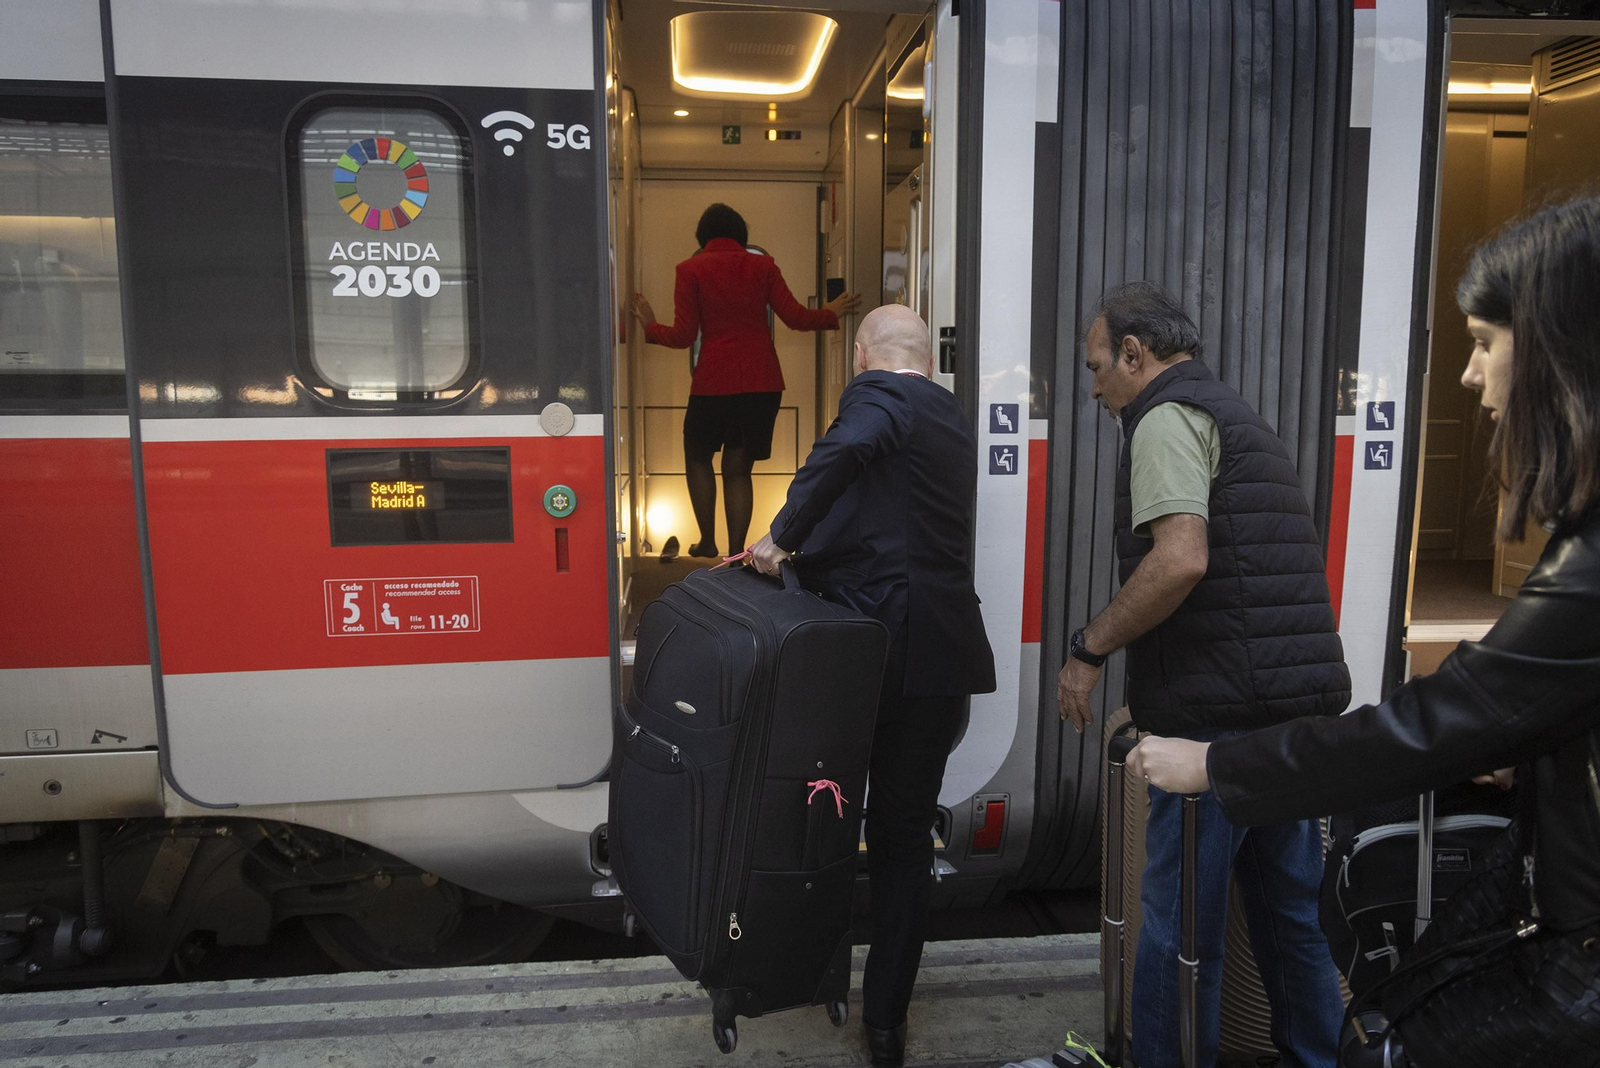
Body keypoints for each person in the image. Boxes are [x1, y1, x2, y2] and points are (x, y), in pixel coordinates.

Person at [1131, 196, 1600, 1067]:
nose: (1469, 375)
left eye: (1486, 341)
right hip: (1300, 696)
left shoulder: (1592, 559)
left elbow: (1435, 722)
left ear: (1561, 351)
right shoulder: (1241, 419)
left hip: (1576, 953)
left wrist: (1214, 764)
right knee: (1302, 933)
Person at [1056, 282, 1350, 1067]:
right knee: (1290, 912)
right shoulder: (1235, 412)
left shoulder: (1164, 417)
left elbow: (1180, 558)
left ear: (1133, 353)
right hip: (1286, 703)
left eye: (1097, 368)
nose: (1094, 390)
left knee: (1180, 920)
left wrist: (1087, 649)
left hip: (1217, 708)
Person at [748, 304, 996, 1068]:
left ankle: (799, 980)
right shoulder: (950, 415)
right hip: (940, 662)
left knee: (822, 821)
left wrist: (779, 536)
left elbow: (846, 451)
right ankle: (883, 1020)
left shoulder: (880, 395)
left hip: (868, 653)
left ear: (863, 355)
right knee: (901, 844)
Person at [634, 203, 860, 559]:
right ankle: (737, 552)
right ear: (742, 235)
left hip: (713, 382)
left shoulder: (690, 268)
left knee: (697, 458)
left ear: (702, 237)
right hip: (761, 382)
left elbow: (682, 336)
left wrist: (649, 326)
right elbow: (796, 318)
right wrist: (830, 312)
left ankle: (707, 541)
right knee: (738, 471)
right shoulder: (763, 266)